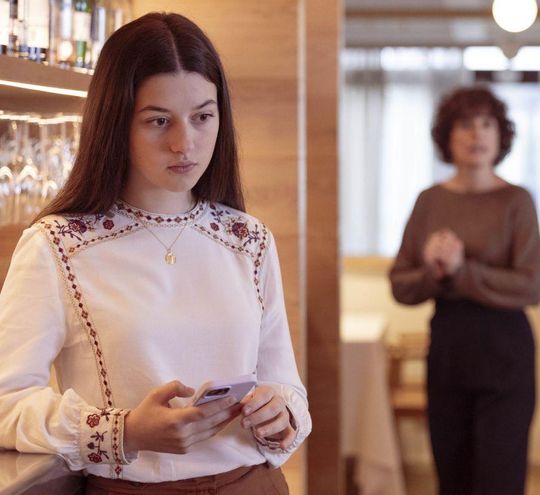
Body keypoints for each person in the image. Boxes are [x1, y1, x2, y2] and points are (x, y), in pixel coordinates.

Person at [0, 12, 310, 494]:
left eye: (203, 117)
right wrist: (122, 431)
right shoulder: (58, 245)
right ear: (115, 123)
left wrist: (280, 411)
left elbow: (286, 385)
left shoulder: (248, 239)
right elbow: (5, 404)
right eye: (158, 120)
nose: (184, 143)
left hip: (255, 484)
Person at [389, 86, 540, 495]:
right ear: (447, 136)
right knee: (451, 476)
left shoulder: (517, 200)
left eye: (487, 124)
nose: (477, 135)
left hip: (506, 351)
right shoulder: (429, 201)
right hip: (448, 349)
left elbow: (533, 285)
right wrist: (434, 272)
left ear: (501, 135)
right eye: (465, 125)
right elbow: (401, 285)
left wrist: (462, 272)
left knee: (499, 478)